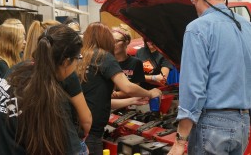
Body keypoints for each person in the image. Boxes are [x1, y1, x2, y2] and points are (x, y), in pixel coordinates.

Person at [168, 0, 251, 155]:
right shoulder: (246, 26)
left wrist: (180, 140)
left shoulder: (198, 28)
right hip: (243, 124)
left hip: (212, 125)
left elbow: (193, 88)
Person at [0, 24, 88, 155]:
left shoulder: (15, 71)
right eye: (78, 58)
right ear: (66, 62)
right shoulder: (49, 96)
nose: (77, 64)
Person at [76, 22, 162, 155]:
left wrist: (132, 101)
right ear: (105, 39)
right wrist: (150, 93)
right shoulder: (103, 56)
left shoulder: (81, 58)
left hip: (78, 129)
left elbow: (98, 101)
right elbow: (127, 87)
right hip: (91, 133)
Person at [23, 20, 92, 146]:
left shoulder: (19, 73)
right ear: (66, 61)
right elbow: (86, 119)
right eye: (78, 58)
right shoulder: (64, 81)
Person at [111, 25, 148, 109]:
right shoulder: (107, 62)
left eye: (116, 41)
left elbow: (135, 90)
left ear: (127, 42)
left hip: (130, 105)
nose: (113, 44)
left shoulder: (135, 63)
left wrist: (116, 94)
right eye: (110, 41)